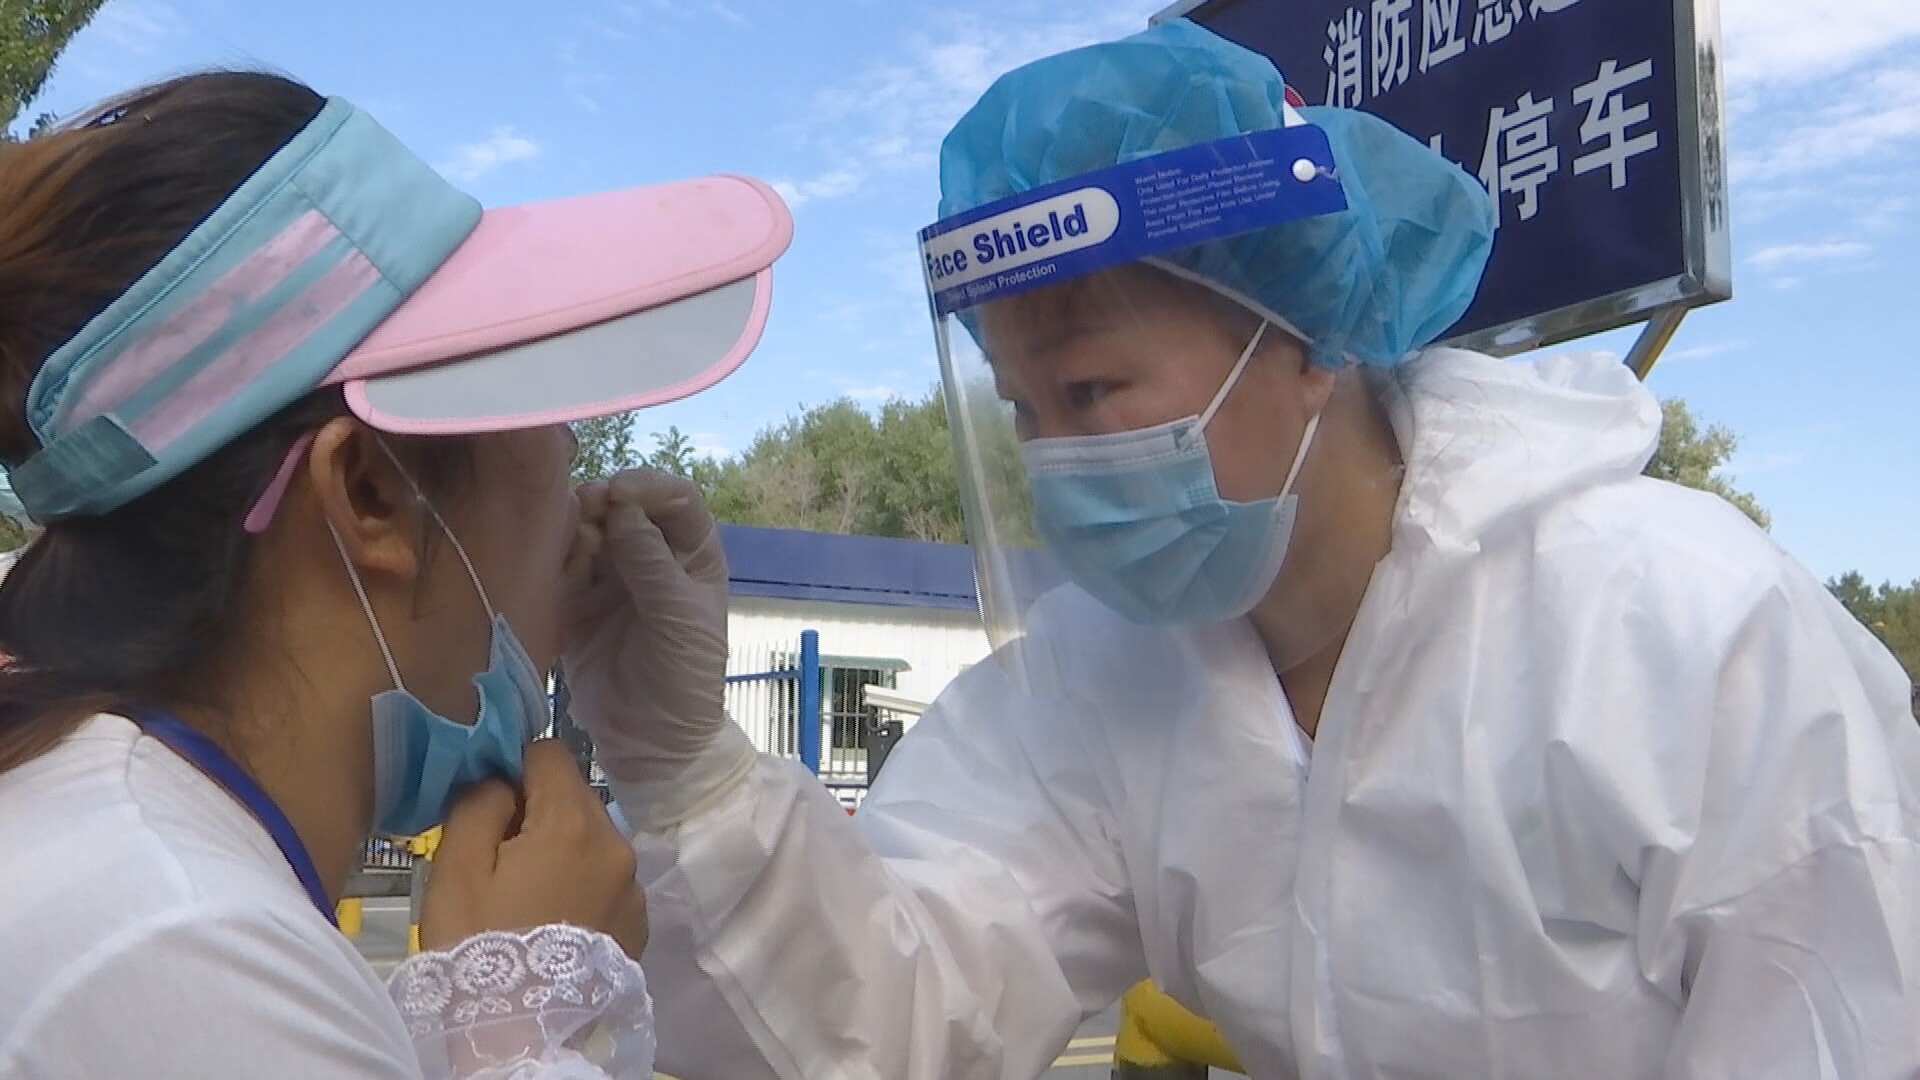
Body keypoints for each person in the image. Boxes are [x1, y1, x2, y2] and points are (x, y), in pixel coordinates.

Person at [566, 21, 1920, 1079]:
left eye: (1092, 391)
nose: (1057, 459)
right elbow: (895, 1018)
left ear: (1308, 339)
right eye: (1024, 412)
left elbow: (1844, 1022)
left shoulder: (1680, 631)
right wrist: (687, 773)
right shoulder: (1110, 683)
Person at [0, 71, 792, 1078]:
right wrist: (520, 1037)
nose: (581, 502)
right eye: (544, 422)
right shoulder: (178, 946)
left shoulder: (125, 862)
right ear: (371, 492)